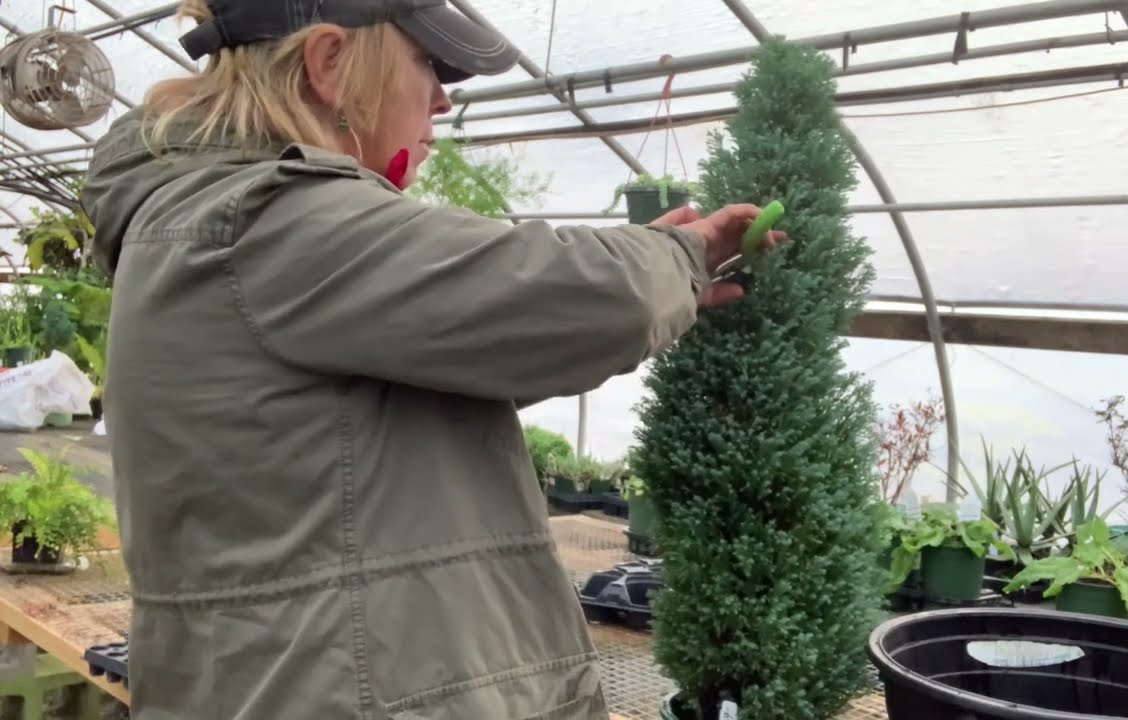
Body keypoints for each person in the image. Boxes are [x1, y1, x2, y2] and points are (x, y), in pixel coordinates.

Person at [79, 1, 783, 718]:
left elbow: (385, 405)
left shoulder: (211, 215)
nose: (444, 98)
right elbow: (581, 295)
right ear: (327, 63)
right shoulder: (266, 219)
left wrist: (660, 265)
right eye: (428, 63)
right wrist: (681, 255)